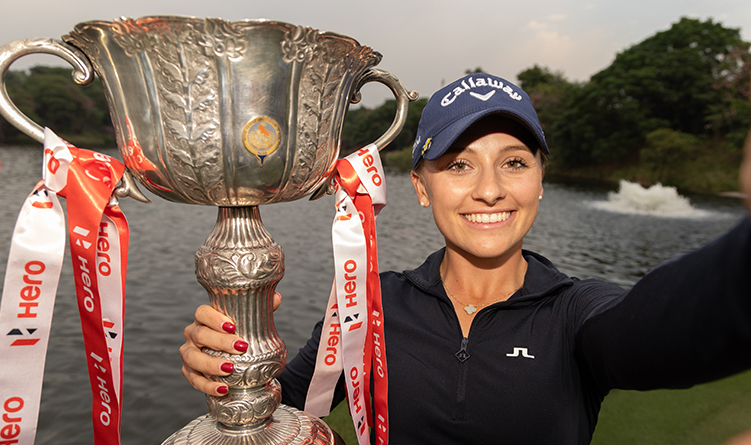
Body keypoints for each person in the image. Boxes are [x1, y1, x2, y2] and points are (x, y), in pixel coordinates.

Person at [180, 73, 751, 444]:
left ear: (540, 181)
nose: (489, 189)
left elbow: (668, 330)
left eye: (514, 162)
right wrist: (233, 364)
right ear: (421, 186)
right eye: (458, 165)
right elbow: (286, 406)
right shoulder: (367, 306)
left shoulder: (576, 312)